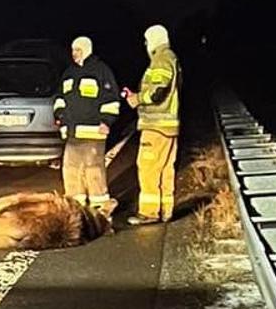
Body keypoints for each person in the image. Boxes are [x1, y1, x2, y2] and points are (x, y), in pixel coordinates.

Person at [53, 36, 121, 214]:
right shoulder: (68, 73)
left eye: (78, 50)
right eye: (73, 50)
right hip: (72, 133)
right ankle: (76, 208)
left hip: (93, 132)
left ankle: (99, 209)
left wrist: (106, 121)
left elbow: (111, 99)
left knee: (94, 170)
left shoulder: (101, 71)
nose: (74, 54)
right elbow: (60, 99)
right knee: (70, 170)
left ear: (87, 49)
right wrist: (59, 116)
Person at [125, 25, 182, 225]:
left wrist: (137, 99)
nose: (146, 45)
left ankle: (149, 212)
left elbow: (157, 91)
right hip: (168, 125)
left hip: (156, 125)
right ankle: (166, 211)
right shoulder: (171, 58)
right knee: (166, 168)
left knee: (148, 167)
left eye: (147, 40)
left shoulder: (161, 59)